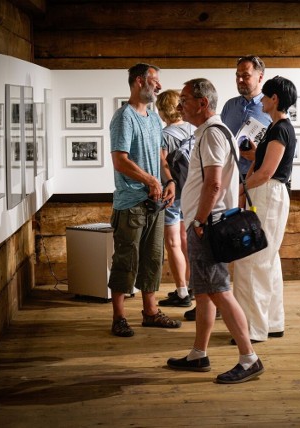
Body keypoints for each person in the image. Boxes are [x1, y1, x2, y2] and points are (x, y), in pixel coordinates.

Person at [166, 78, 264, 384]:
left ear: (202, 103)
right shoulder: (214, 133)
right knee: (206, 292)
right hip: (208, 223)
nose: (179, 106)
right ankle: (199, 353)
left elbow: (214, 183)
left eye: (184, 100)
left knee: (219, 290)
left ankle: (249, 359)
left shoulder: (211, 134)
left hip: (206, 226)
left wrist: (199, 221)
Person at [183, 55, 271, 322]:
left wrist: (199, 220)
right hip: (227, 192)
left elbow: (214, 181)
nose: (240, 80)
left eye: (245, 75)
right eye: (237, 75)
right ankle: (206, 337)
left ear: (259, 77)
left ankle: (246, 342)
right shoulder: (230, 109)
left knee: (231, 272)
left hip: (242, 190)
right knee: (215, 281)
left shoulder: (266, 110)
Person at [107, 63, 182, 337]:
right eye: (155, 81)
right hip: (131, 203)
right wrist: (150, 181)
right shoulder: (124, 117)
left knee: (153, 258)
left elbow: (160, 156)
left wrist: (169, 180)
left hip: (156, 201)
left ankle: (150, 312)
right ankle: (119, 317)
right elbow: (120, 161)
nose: (159, 86)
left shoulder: (152, 118)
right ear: (139, 81)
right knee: (126, 259)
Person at [233, 76, 298, 343]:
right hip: (269, 193)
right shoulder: (278, 128)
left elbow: (268, 172)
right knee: (268, 260)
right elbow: (267, 163)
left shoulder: (280, 128)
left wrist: (239, 189)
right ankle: (272, 322)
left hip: (268, 191)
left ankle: (253, 330)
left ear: (275, 100)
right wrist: (255, 154)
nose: (260, 100)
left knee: (255, 261)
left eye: (265, 96)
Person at [155, 90, 196, 308]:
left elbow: (162, 164)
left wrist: (168, 182)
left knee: (172, 243)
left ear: (162, 110)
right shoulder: (194, 129)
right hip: (191, 193)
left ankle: (181, 292)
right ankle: (192, 287)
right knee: (186, 240)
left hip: (172, 193)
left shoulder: (164, 135)